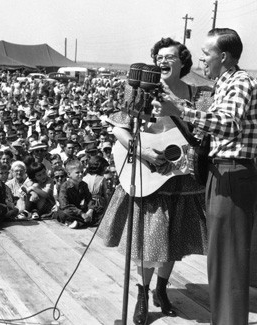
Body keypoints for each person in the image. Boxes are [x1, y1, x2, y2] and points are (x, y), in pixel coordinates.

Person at [154, 29, 257, 324]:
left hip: (233, 173)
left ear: (224, 56)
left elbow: (228, 125)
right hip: (222, 172)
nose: (202, 59)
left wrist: (178, 108)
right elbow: (207, 129)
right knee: (220, 260)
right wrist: (178, 110)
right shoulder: (224, 83)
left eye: (206, 54)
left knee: (228, 261)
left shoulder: (239, 82)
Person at [99, 37, 208, 324]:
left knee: (173, 239)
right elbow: (119, 130)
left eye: (170, 56)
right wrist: (143, 151)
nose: (162, 61)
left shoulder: (197, 94)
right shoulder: (142, 90)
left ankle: (162, 289)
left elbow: (203, 132)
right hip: (149, 177)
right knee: (149, 242)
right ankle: (143, 293)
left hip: (181, 178)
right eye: (159, 57)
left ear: (183, 61)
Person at [55, 160, 96, 229]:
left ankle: (77, 222)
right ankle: (79, 221)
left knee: (98, 209)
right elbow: (64, 205)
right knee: (64, 213)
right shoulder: (64, 187)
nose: (81, 174)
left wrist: (90, 210)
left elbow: (89, 199)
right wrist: (81, 213)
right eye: (77, 172)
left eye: (82, 172)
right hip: (71, 210)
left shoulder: (83, 185)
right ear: (69, 174)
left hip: (79, 208)